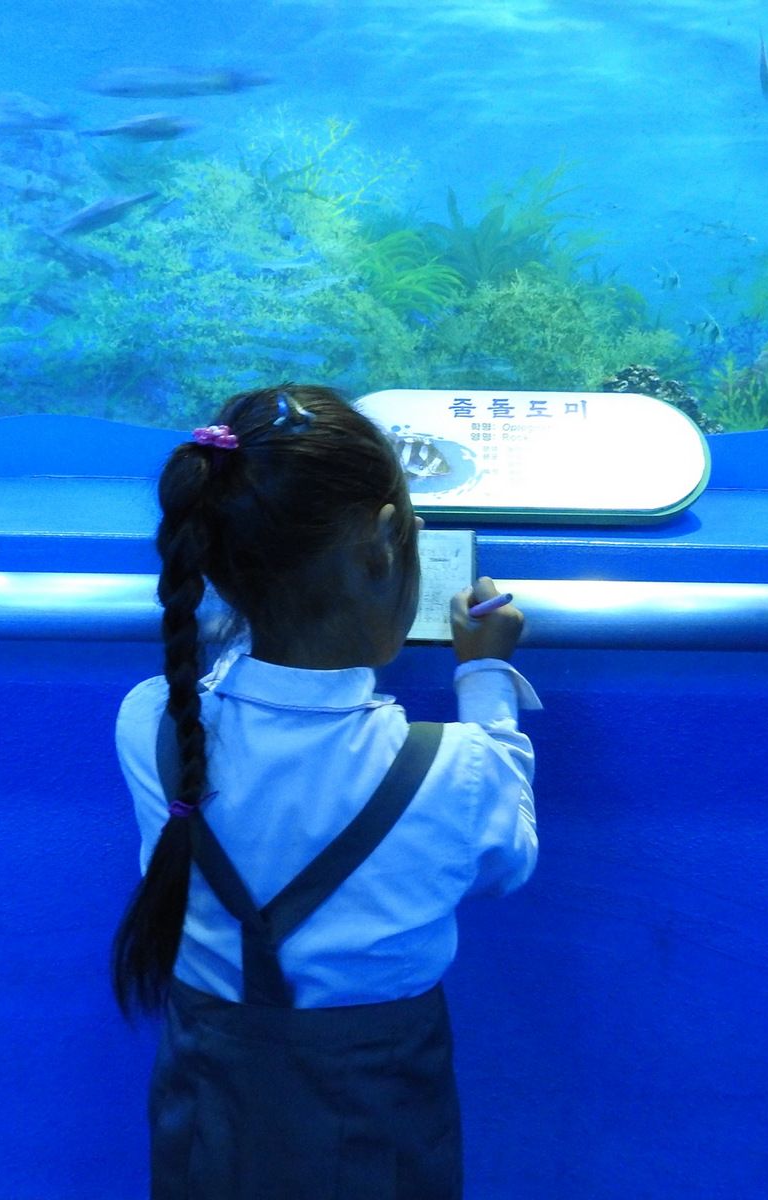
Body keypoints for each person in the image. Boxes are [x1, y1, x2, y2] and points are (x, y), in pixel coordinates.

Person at [112, 384, 540, 1199]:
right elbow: (508, 859)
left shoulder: (151, 725)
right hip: (380, 1122)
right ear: (385, 543)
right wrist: (484, 673)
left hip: (207, 1117)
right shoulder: (458, 767)